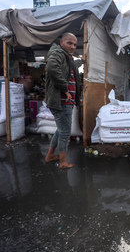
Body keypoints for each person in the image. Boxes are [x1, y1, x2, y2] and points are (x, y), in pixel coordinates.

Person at [44, 32, 81, 168]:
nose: (72, 46)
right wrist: (65, 89)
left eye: (75, 44)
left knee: (61, 130)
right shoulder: (57, 53)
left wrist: (82, 59)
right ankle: (63, 162)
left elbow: (70, 68)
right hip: (61, 101)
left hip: (66, 101)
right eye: (69, 43)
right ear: (61, 43)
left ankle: (50, 155)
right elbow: (52, 68)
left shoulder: (67, 57)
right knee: (65, 131)